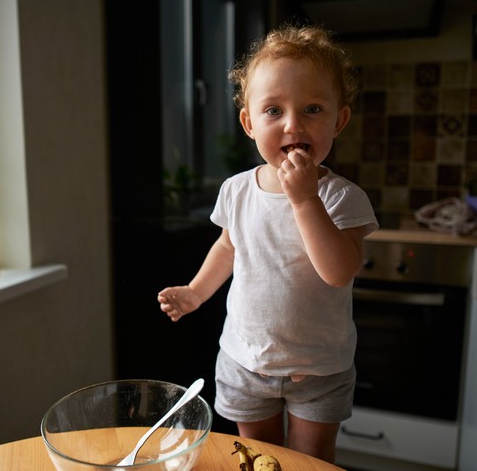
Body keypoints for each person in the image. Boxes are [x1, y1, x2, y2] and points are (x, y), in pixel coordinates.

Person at [156, 23, 378, 464]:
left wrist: (304, 199)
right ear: (249, 123)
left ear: (340, 120)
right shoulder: (237, 190)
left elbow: (338, 271)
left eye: (313, 108)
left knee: (309, 462)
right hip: (246, 360)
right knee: (258, 458)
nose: (293, 124)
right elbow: (228, 247)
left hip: (320, 368)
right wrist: (197, 292)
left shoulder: (341, 197)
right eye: (273, 110)